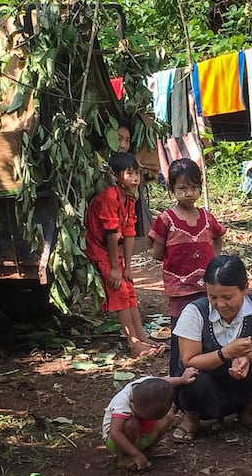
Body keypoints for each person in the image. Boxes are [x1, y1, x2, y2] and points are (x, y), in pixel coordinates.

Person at [171, 254, 252, 441]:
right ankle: (191, 418)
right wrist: (226, 353)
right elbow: (188, 360)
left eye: (228, 297)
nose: (220, 304)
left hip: (240, 382)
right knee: (192, 377)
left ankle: (246, 412)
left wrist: (246, 358)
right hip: (206, 385)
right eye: (212, 296)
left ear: (245, 288)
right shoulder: (194, 312)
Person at [148, 157, 225, 374]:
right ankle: (178, 384)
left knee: (208, 331)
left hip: (207, 288)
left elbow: (218, 236)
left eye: (193, 187)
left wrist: (214, 262)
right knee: (181, 334)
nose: (189, 193)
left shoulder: (207, 217)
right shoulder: (166, 220)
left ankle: (205, 378)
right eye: (182, 188)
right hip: (180, 291)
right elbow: (157, 253)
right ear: (172, 189)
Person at [85, 152, 164, 358]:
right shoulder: (109, 197)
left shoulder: (129, 197)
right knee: (118, 290)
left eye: (137, 173)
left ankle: (141, 337)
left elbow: (129, 231)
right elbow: (111, 234)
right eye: (129, 173)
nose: (135, 178)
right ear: (116, 176)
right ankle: (133, 343)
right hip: (99, 248)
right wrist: (114, 267)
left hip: (115, 251)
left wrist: (128, 266)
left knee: (129, 289)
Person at [102, 367, 199, 470]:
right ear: (132, 400)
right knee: (131, 423)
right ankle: (125, 456)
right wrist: (135, 454)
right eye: (141, 415)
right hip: (118, 441)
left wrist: (181, 379)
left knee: (169, 416)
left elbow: (164, 383)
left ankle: (148, 448)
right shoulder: (121, 406)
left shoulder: (147, 384)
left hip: (142, 434)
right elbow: (115, 433)